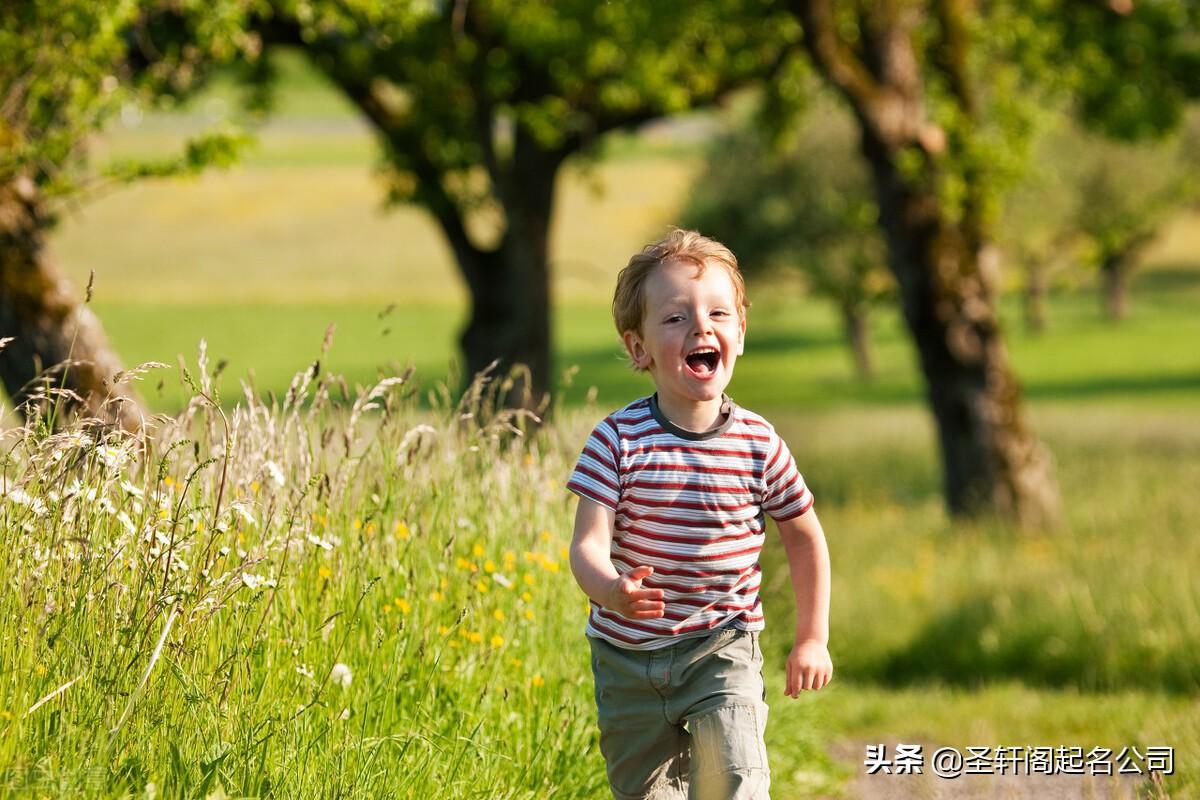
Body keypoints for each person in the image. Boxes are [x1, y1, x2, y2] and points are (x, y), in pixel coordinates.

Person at [567, 229, 833, 800]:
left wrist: (812, 636)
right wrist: (610, 588)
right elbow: (587, 544)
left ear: (740, 331)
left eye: (718, 313)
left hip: (723, 646)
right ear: (638, 348)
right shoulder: (616, 441)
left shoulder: (758, 443)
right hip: (627, 658)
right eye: (675, 318)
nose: (700, 328)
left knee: (734, 780)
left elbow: (805, 537)